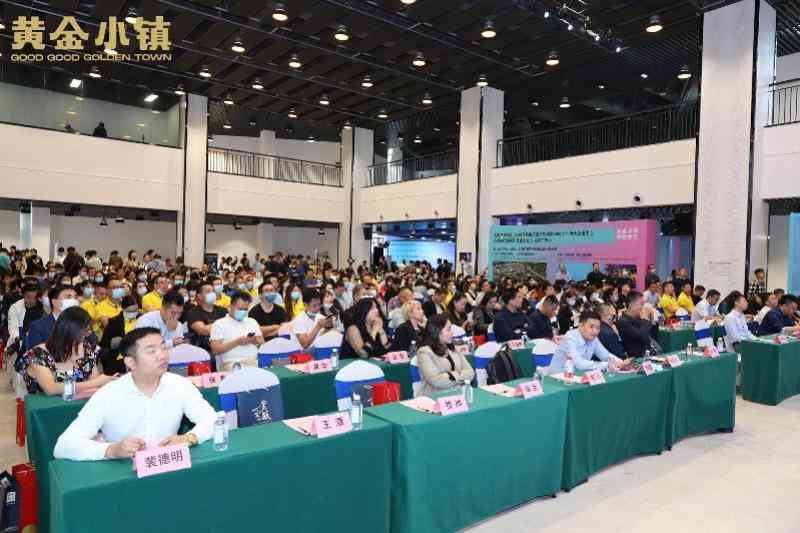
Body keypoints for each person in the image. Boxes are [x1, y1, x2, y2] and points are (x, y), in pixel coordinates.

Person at [54, 327, 218, 461]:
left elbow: (213, 420)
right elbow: (64, 446)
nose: (162, 355)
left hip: (168, 465)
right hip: (124, 473)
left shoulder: (179, 384)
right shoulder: (108, 394)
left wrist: (188, 438)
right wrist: (111, 450)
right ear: (130, 362)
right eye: (151, 351)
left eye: (163, 347)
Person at [14, 307, 115, 395]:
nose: (86, 336)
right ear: (68, 332)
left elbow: (93, 384)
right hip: (45, 408)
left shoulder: (86, 349)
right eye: (84, 332)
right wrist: (96, 382)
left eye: (88, 331)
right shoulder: (38, 354)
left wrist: (101, 382)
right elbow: (51, 389)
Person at [547, 310, 626, 374]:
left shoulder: (593, 339)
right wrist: (607, 364)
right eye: (591, 327)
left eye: (598, 328)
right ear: (580, 326)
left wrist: (621, 363)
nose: (595, 331)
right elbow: (580, 364)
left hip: (578, 377)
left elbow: (605, 356)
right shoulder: (570, 338)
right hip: (558, 377)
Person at [416, 314, 474, 396]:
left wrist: (449, 375)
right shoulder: (424, 352)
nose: (452, 333)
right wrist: (460, 376)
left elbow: (471, 373)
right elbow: (436, 381)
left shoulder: (453, 348)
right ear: (437, 331)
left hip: (457, 395)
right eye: (448, 329)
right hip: (434, 397)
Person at [210, 291, 264, 370]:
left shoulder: (252, 321)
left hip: (255, 362)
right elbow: (215, 350)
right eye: (240, 309)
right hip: (232, 364)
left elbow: (262, 342)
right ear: (230, 306)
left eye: (245, 309)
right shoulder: (219, 324)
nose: (243, 312)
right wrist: (237, 342)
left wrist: (253, 340)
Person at [99, 296, 140, 375]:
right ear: (123, 309)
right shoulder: (114, 322)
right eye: (130, 311)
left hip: (138, 356)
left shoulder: (142, 318)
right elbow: (103, 342)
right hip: (119, 358)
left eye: (135, 310)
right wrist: (113, 342)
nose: (133, 313)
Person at [184, 281, 227, 353]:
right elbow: (203, 330)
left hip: (224, 346)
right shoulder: (193, 312)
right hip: (203, 350)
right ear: (199, 296)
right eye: (208, 291)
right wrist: (224, 324)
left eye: (213, 291)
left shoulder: (223, 310)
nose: (212, 294)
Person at [617, 292, 656, 358]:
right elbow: (643, 337)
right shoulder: (623, 321)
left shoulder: (637, 317)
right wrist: (644, 319)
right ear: (631, 305)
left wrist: (651, 318)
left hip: (647, 352)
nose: (643, 307)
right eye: (641, 304)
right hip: (636, 357)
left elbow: (649, 333)